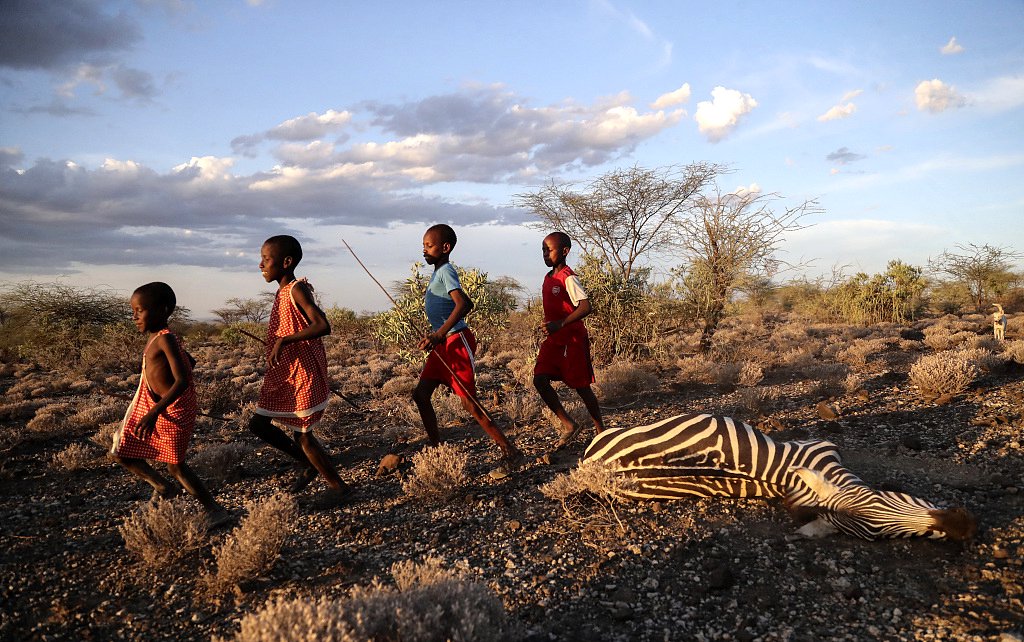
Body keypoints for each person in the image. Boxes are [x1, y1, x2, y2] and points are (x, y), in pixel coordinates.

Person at [109, 282, 231, 528]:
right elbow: (189, 362)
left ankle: (215, 510)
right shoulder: (159, 339)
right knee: (123, 452)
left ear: (163, 310)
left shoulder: (165, 339)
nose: (134, 316)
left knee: (175, 465)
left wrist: (155, 411)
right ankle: (163, 487)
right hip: (159, 406)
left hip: (171, 409)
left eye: (140, 310)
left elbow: (183, 380)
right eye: (133, 310)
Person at [412, 223, 523, 478]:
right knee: (421, 394)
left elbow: (463, 304)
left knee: (469, 404)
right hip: (443, 345)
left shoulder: (446, 271)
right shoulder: (439, 272)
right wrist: (436, 337)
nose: (424, 251)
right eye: (423, 246)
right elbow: (461, 304)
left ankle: (510, 451)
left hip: (455, 343)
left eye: (429, 246)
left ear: (445, 248)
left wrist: (438, 334)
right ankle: (437, 449)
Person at [247, 235, 350, 503]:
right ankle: (307, 465)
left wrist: (284, 340)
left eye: (266, 259)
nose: (261, 264)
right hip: (287, 372)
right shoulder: (282, 292)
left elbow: (322, 325)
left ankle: (337, 486)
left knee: (303, 435)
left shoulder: (296, 289)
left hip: (304, 371)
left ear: (286, 262)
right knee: (259, 423)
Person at [533, 232, 604, 449]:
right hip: (555, 340)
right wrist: (550, 327)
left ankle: (601, 431)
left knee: (581, 387)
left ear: (564, 252)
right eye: (543, 250)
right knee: (540, 379)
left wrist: (560, 324)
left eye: (550, 250)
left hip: (572, 340)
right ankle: (568, 424)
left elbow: (585, 306)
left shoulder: (568, 278)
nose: (545, 254)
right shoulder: (548, 278)